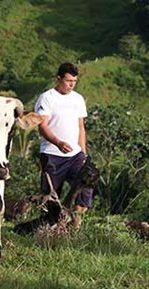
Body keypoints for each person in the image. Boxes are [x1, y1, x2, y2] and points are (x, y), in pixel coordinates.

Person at [34, 62, 92, 229]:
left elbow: (81, 126)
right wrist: (58, 142)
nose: (71, 84)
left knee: (85, 186)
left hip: (75, 155)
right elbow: (42, 126)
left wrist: (84, 153)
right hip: (52, 154)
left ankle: (76, 226)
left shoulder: (78, 99)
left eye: (74, 81)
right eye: (68, 81)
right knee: (50, 197)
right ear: (58, 79)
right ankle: (50, 230)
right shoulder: (47, 98)